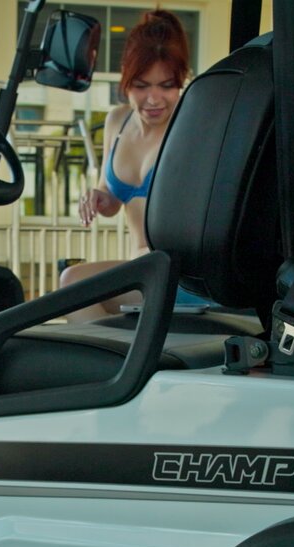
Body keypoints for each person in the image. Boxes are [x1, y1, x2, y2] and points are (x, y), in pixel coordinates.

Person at [59, 8, 199, 322]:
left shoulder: (192, 126)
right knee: (71, 286)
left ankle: (114, 354)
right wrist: (99, 197)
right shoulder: (117, 121)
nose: (154, 99)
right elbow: (111, 201)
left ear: (181, 80)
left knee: (73, 284)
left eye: (166, 85)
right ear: (126, 78)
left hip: (180, 277)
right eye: (142, 85)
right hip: (140, 271)